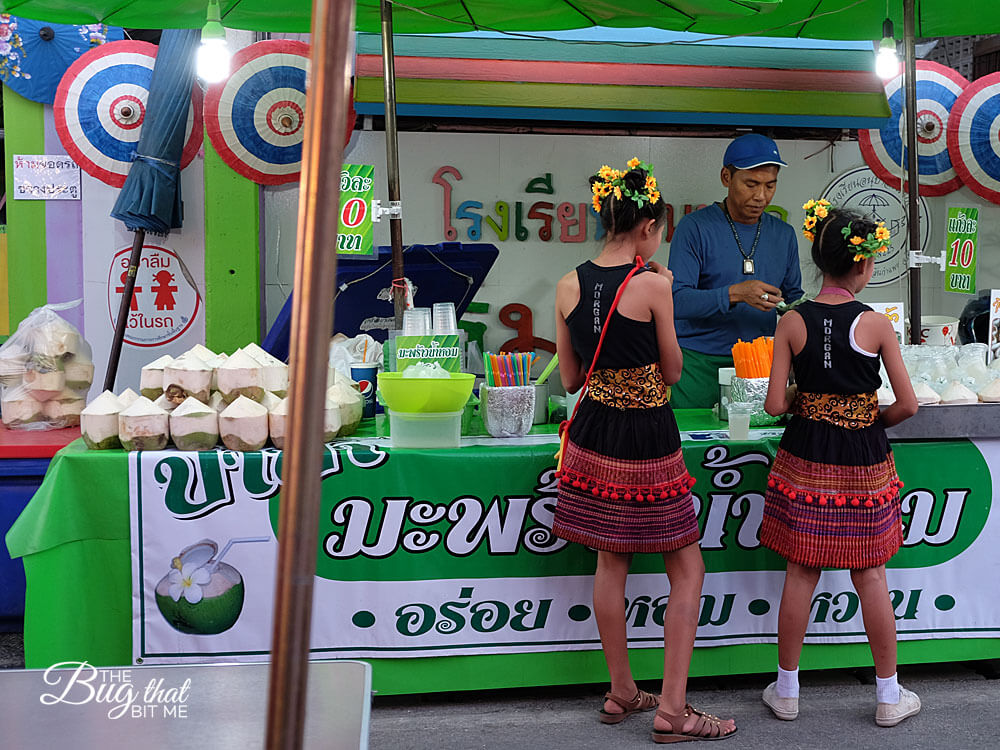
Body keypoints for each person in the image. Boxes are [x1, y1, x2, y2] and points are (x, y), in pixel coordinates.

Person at [553, 158, 736, 743]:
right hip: (647, 435)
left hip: (594, 436)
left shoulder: (567, 283)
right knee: (687, 568)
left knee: (612, 562)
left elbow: (569, 380)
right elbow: (675, 368)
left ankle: (623, 690)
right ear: (648, 227)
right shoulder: (655, 284)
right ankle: (673, 710)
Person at [760, 200, 920, 728]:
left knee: (801, 569)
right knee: (869, 571)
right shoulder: (875, 325)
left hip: (805, 456)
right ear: (865, 264)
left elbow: (774, 406)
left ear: (817, 258)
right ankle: (889, 695)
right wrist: (870, 418)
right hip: (862, 459)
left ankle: (786, 690)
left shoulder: (791, 319)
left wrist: (811, 398)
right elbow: (908, 404)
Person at [668, 133, 804, 409]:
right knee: (696, 447)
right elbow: (677, 300)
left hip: (761, 365)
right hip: (698, 364)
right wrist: (735, 294)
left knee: (756, 448)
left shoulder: (784, 234)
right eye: (751, 184)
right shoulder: (694, 228)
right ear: (726, 177)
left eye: (770, 185)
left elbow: (794, 302)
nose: (761, 196)